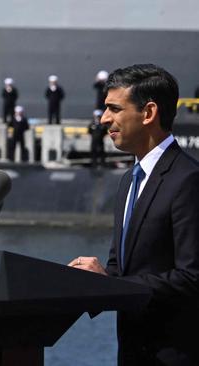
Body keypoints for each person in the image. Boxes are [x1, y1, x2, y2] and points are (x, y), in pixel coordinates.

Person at [69, 64, 199, 365]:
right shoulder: (130, 180)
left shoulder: (188, 180)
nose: (104, 119)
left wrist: (116, 286)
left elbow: (192, 278)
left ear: (149, 113)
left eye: (114, 108)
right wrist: (92, 281)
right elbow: (121, 268)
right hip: (132, 355)